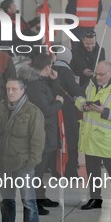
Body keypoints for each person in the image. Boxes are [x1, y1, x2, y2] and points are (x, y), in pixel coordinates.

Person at [0, 79, 44, 222]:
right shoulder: (1, 109)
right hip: (4, 163)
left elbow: (38, 140)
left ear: (23, 90)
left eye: (14, 89)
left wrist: (31, 163)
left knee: (28, 201)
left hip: (23, 164)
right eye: (8, 89)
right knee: (6, 199)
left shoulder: (33, 112)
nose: (10, 92)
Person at [75, 61, 111, 212]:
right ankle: (95, 198)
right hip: (89, 136)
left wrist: (104, 112)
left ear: (110, 72)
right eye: (96, 74)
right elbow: (77, 97)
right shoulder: (90, 84)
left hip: (105, 139)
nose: (98, 77)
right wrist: (83, 104)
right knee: (92, 171)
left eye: (101, 74)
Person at [18, 54, 63, 213]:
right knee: (37, 169)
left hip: (47, 131)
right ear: (47, 67)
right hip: (41, 132)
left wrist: (54, 80)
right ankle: (34, 202)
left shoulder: (41, 81)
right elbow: (47, 109)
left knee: (41, 168)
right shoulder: (36, 85)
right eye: (51, 66)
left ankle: (41, 196)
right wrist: (59, 103)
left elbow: (52, 95)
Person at [51, 49, 84, 178]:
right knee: (70, 139)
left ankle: (56, 170)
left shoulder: (51, 69)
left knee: (56, 139)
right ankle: (70, 171)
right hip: (67, 111)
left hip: (53, 109)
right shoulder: (66, 71)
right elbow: (75, 90)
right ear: (69, 59)